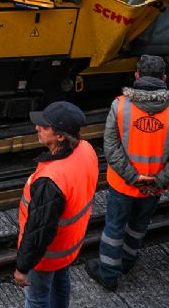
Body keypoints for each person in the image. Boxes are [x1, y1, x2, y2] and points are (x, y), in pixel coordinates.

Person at [85, 55, 169, 290]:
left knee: (114, 228)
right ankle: (128, 260)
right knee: (139, 225)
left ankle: (109, 275)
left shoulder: (120, 106)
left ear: (137, 76)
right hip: (154, 187)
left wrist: (133, 178)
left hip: (123, 184)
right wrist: (157, 181)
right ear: (164, 79)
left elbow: (111, 149)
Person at [15, 101, 98, 308]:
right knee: (61, 283)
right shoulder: (86, 150)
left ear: (60, 136)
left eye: (44, 126)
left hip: (46, 255)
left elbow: (38, 230)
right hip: (69, 244)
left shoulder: (51, 180)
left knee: (36, 299)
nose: (37, 128)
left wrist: (23, 267)